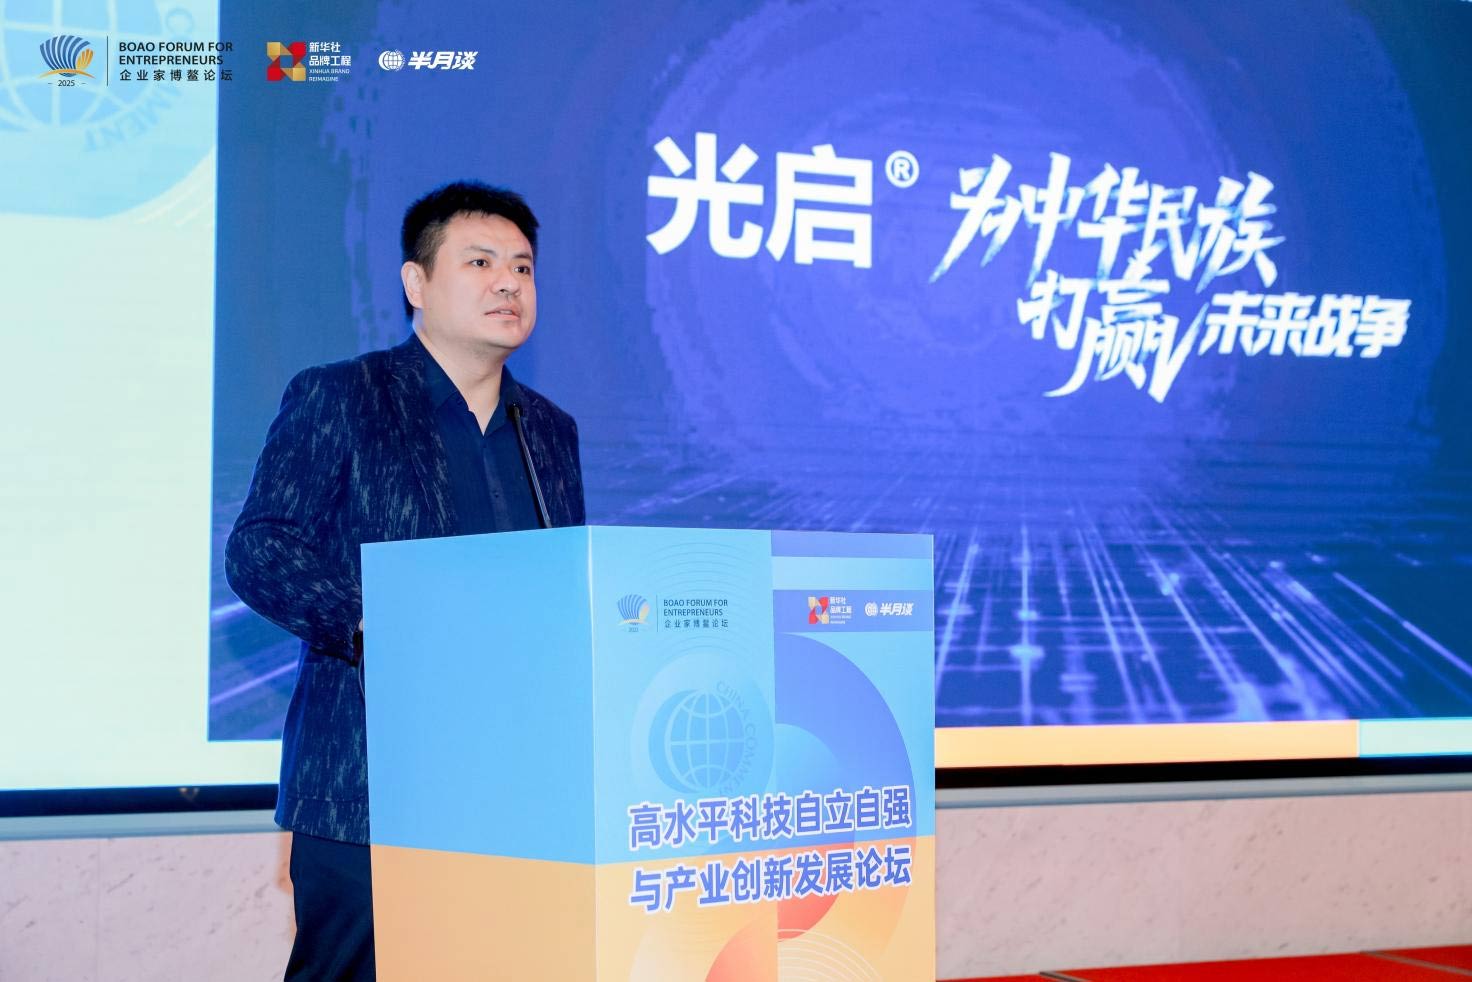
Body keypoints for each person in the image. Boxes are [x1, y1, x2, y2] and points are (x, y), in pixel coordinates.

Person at [226, 181, 585, 980]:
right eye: (481, 262)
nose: (508, 283)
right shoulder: (342, 396)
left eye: (523, 268)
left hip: (518, 794)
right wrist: (381, 623)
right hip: (372, 788)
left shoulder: (549, 432)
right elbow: (260, 548)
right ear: (416, 284)